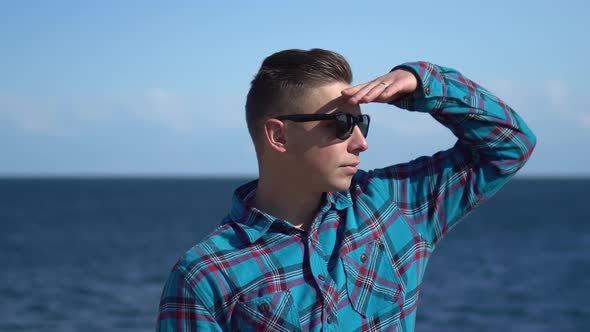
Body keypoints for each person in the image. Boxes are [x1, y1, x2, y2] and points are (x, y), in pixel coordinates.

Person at [156, 48, 536, 331]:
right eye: (340, 123)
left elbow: (509, 145)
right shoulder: (207, 275)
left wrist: (424, 83)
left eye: (361, 123)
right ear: (278, 134)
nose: (360, 142)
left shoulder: (394, 207)